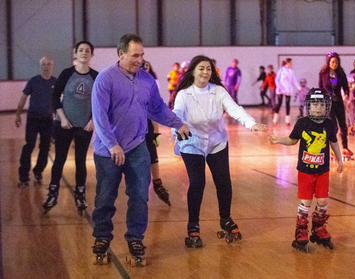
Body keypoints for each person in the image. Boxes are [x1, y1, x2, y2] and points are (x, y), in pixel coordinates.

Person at [90, 34, 189, 262]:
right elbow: (100, 117)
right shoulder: (105, 79)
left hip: (136, 147)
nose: (140, 59)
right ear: (121, 54)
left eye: (142, 55)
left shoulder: (147, 80)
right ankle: (102, 237)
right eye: (135, 55)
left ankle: (135, 237)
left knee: (139, 196)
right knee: (105, 197)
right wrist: (113, 144)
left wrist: (178, 124)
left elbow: (157, 108)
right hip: (108, 151)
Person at [172, 55, 267, 248]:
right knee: (198, 182)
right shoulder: (184, 94)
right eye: (201, 68)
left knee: (223, 181)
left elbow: (235, 110)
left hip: (217, 142)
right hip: (192, 143)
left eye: (209, 69)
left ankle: (226, 218)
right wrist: (177, 127)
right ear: (193, 71)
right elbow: (177, 113)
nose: (205, 72)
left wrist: (252, 124)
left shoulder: (218, 91)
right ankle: (193, 224)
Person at [269, 88, 343, 253]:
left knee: (323, 201)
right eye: (314, 104)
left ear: (327, 107)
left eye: (321, 105)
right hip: (305, 171)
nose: (318, 108)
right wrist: (279, 140)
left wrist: (340, 159)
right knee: (306, 202)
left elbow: (334, 143)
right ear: (308, 106)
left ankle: (319, 228)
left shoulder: (330, 125)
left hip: (323, 170)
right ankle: (301, 230)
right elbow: (292, 140)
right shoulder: (302, 123)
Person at [42, 41, 98, 214]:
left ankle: (80, 194)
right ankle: (53, 193)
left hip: (84, 126)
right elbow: (55, 97)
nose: (83, 53)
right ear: (75, 53)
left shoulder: (95, 76)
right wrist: (63, 118)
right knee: (59, 159)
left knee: (81, 161)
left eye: (87, 50)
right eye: (80, 50)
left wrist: (93, 120)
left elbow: (101, 102)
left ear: (91, 54)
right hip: (64, 125)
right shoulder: (67, 73)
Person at [15, 56, 57, 187]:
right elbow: (23, 98)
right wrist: (18, 114)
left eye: (49, 64)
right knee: (29, 146)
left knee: (45, 148)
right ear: (40, 66)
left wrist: (60, 120)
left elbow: (59, 103)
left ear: (52, 66)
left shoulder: (56, 83)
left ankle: (38, 171)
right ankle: (23, 176)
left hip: (48, 121)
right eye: (44, 64)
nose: (46, 67)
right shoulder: (34, 81)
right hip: (33, 119)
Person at [143, 60, 171, 206]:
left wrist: (156, 133)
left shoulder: (151, 86)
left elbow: (154, 111)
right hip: (132, 127)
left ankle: (157, 183)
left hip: (147, 126)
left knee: (153, 156)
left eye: (146, 65)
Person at [319, 52, 353, 159]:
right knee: (333, 126)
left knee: (343, 125)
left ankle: (345, 147)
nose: (334, 64)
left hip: (338, 102)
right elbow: (320, 87)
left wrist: (346, 94)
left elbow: (345, 86)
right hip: (329, 104)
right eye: (332, 62)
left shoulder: (341, 73)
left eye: (336, 62)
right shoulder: (323, 73)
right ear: (328, 62)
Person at [274, 58, 301, 126]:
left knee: (287, 104)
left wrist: (299, 88)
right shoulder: (281, 70)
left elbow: (294, 80)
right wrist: (279, 87)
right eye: (290, 63)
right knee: (279, 103)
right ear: (287, 63)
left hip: (288, 89)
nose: (291, 64)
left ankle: (287, 120)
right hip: (281, 88)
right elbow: (277, 79)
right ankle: (275, 119)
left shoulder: (291, 71)